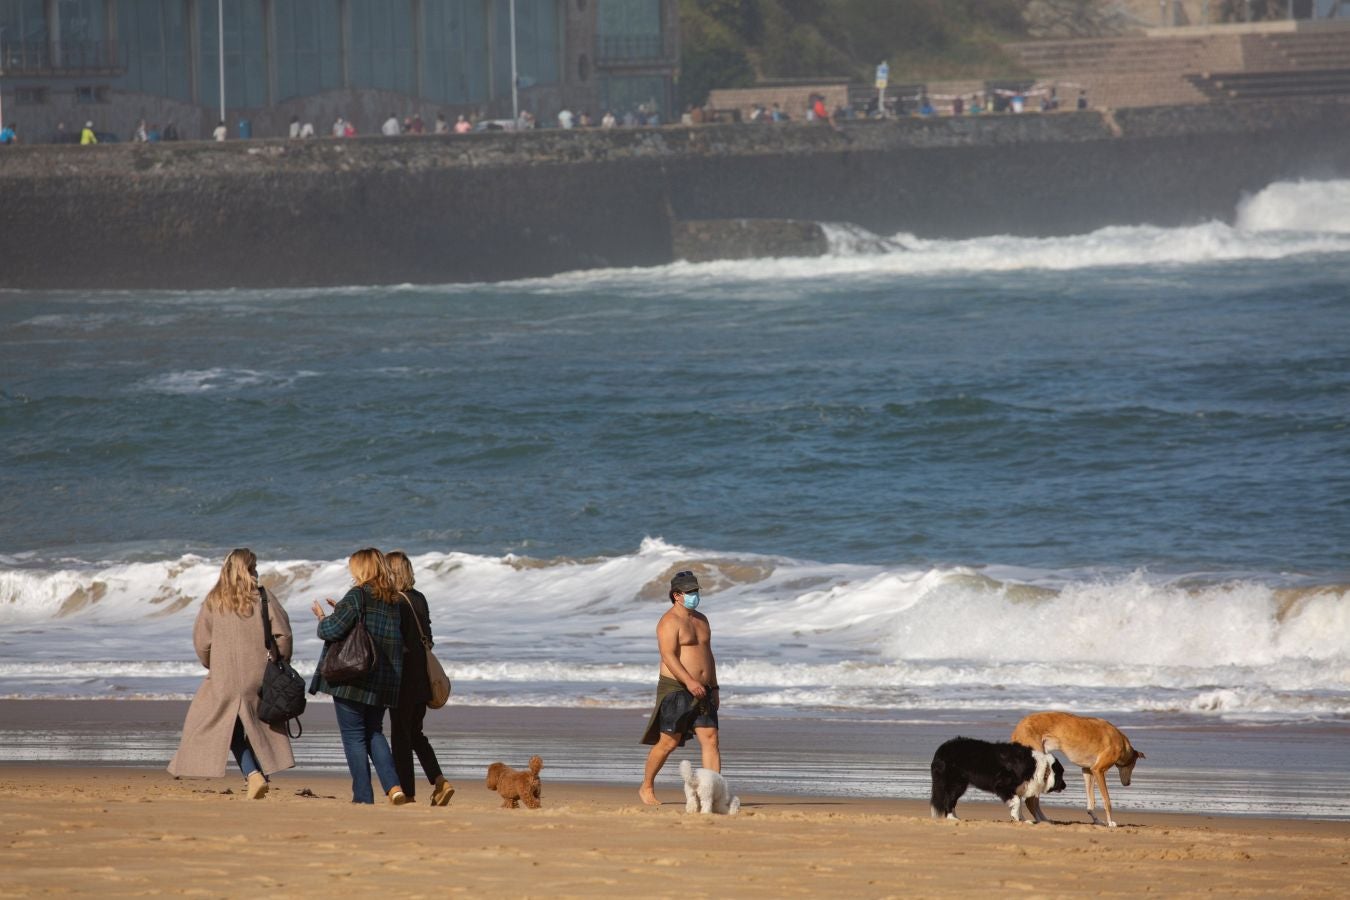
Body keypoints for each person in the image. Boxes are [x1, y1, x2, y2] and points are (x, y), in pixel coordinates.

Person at [168, 549, 295, 798]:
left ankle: (254, 774)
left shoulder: (215, 600)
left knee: (230, 729)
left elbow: (202, 643)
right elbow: (283, 635)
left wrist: (214, 665)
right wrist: (281, 659)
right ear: (250, 569)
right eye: (255, 565)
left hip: (224, 677)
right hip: (259, 675)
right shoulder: (263, 596)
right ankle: (260, 775)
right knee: (258, 725)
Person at [310, 548, 407, 805]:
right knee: (375, 731)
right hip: (383, 680)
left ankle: (363, 796)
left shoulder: (357, 595)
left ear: (361, 569)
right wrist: (342, 609)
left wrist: (321, 616)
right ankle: (394, 786)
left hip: (352, 676)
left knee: (354, 736)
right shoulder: (394, 600)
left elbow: (330, 630)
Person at [639, 570, 720, 805]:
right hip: (676, 687)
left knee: (711, 739)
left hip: (703, 688)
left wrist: (714, 687)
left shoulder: (702, 619)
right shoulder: (669, 621)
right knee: (669, 742)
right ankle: (646, 786)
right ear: (677, 595)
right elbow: (668, 656)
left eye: (696, 591)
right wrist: (689, 681)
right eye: (690, 592)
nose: (695, 595)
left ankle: (711, 795)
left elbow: (708, 654)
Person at [386, 550, 454, 806]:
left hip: (402, 679)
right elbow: (429, 639)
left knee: (401, 738)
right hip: (423, 678)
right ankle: (439, 780)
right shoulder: (419, 598)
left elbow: (394, 643)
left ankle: (409, 793)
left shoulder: (395, 602)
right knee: (415, 734)